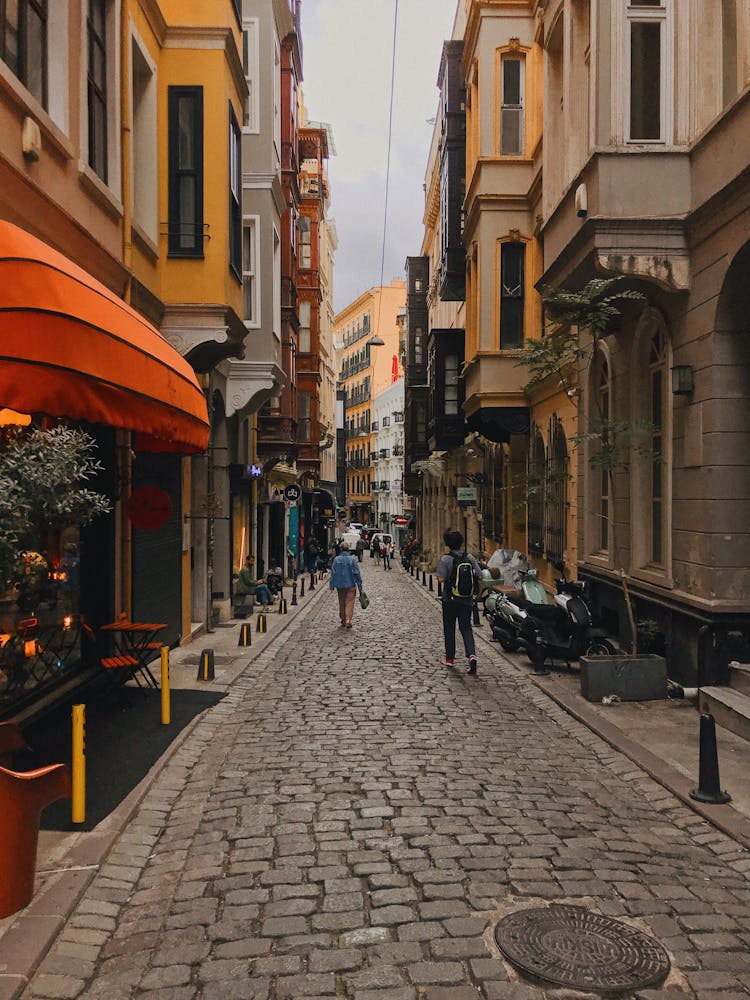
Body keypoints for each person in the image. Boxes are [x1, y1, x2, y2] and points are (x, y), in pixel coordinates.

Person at [436, 529, 482, 674]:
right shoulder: (470, 558)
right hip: (466, 600)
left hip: (450, 600)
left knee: (449, 628)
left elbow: (440, 579)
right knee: (466, 628)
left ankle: (450, 659)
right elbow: (480, 576)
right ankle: (472, 655)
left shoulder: (445, 559)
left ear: (448, 544)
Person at [329, 540, 363, 628]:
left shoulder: (336, 560)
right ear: (348, 550)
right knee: (350, 602)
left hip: (340, 585)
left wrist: (332, 584)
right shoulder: (352, 560)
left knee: (342, 602)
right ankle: (348, 619)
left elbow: (333, 572)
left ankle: (343, 619)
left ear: (340, 549)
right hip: (350, 584)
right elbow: (356, 573)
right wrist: (359, 585)